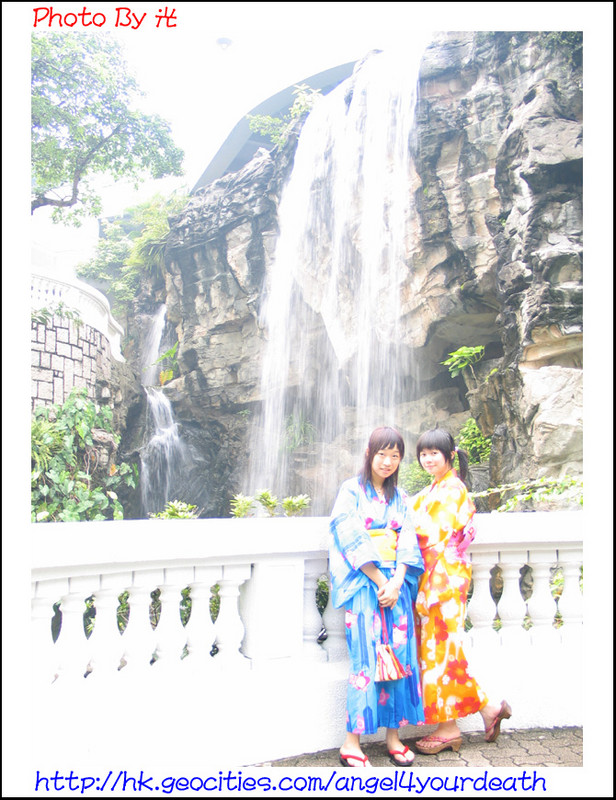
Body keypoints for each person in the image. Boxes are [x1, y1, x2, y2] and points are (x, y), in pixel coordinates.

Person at [408, 428, 511, 755]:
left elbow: (430, 534)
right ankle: (489, 709)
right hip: (437, 578)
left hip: (443, 580)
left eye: (434, 453)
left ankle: (449, 728)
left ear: (449, 455)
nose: (428, 459)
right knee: (442, 650)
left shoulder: (452, 489)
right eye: (423, 454)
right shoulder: (434, 489)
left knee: (441, 651)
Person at [328, 426, 425, 767]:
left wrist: (397, 581)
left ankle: (393, 737)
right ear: (369, 454)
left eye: (394, 456)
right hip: (365, 585)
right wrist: (381, 579)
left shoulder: (401, 498)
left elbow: (408, 539)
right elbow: (347, 533)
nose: (387, 461)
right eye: (382, 454)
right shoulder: (350, 491)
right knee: (366, 660)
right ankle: (351, 742)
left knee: (399, 658)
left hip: (396, 589)